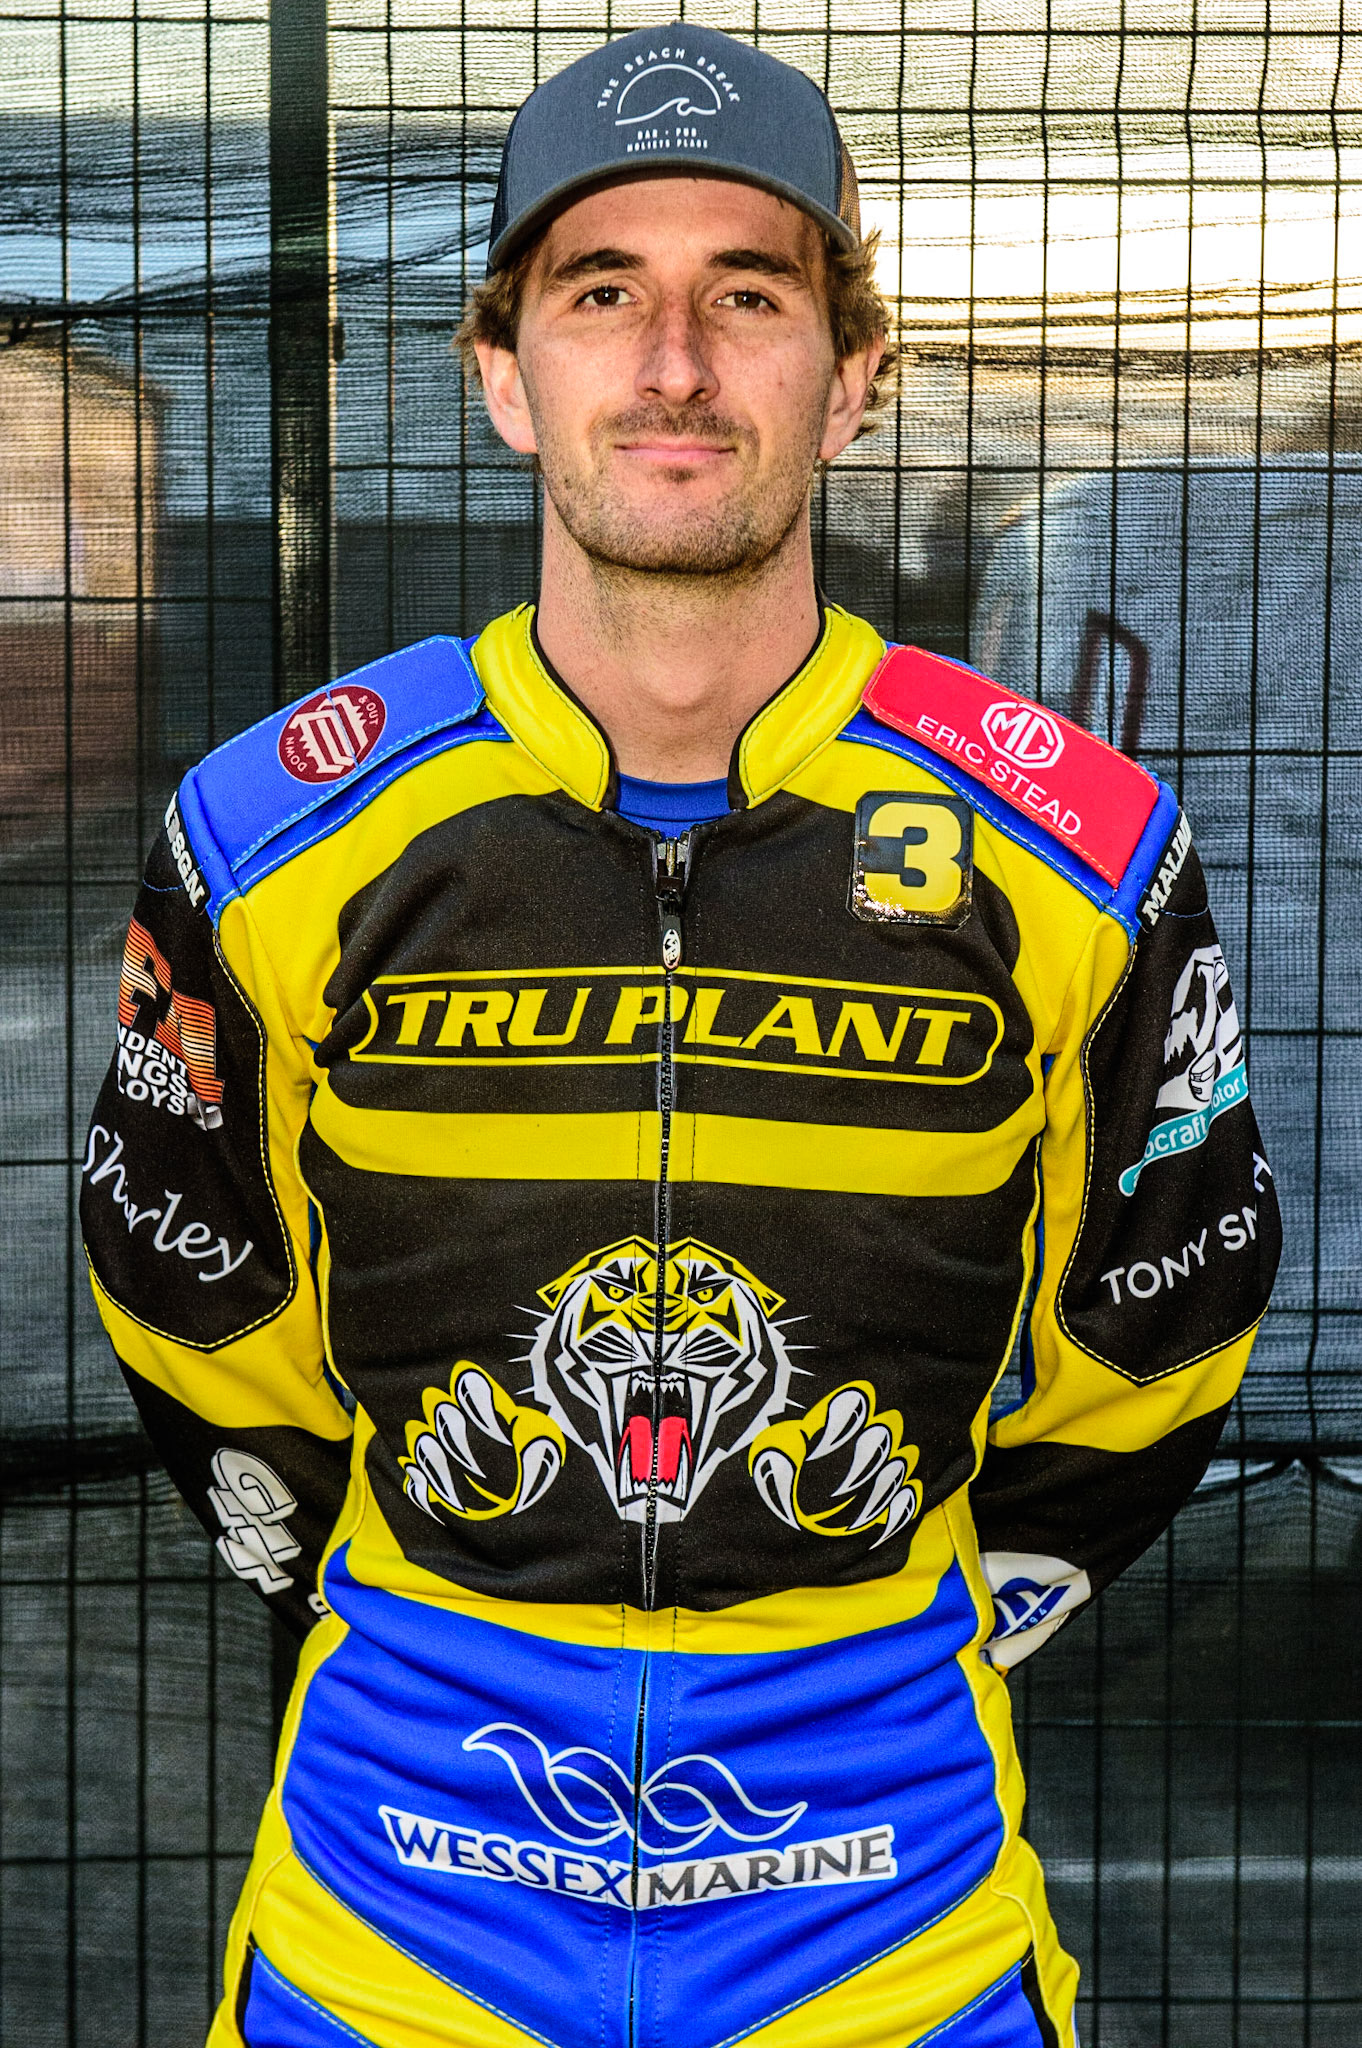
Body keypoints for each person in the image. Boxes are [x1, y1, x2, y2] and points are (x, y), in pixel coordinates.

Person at [80, 22, 1281, 2048]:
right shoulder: (270, 832)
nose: (672, 363)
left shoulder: (1076, 849)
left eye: (749, 295)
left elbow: (1164, 1320)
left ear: (856, 375)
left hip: (889, 1932)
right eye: (598, 294)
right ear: (500, 374)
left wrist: (885, 1628)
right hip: (396, 1924)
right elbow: (195, 1308)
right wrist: (426, 1595)